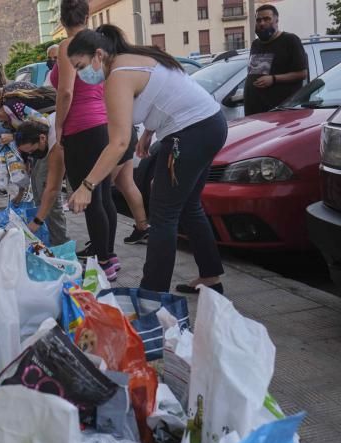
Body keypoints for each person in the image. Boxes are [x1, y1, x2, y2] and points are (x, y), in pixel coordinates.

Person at [67, 25, 228, 294]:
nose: (81, 74)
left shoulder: (118, 75)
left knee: (163, 215)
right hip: (210, 124)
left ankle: (151, 295)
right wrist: (150, 131)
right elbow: (165, 91)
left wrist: (87, 185)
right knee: (189, 206)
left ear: (98, 55)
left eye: (80, 65)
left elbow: (117, 143)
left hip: (190, 133)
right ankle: (211, 277)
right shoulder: (136, 58)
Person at [53, 0, 141, 281]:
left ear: (61, 16)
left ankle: (104, 260)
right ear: (87, 14)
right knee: (103, 196)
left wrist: (59, 126)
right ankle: (107, 254)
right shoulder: (99, 43)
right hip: (102, 125)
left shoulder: (69, 46)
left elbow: (65, 92)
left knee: (89, 196)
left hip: (81, 127)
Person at [244, 4, 308, 116]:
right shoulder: (256, 44)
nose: (262, 23)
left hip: (279, 113)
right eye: (259, 20)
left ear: (276, 20)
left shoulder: (290, 40)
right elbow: (254, 73)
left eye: (267, 19)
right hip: (254, 112)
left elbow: (302, 73)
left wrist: (273, 79)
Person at [14, 117, 69, 246]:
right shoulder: (39, 128)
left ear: (42, 138)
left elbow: (53, 189)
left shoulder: (56, 145)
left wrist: (37, 221)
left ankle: (61, 244)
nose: (32, 155)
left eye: (32, 151)